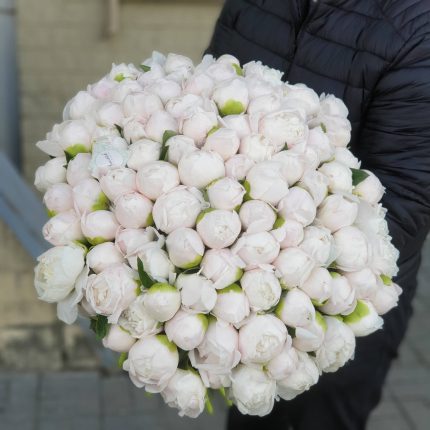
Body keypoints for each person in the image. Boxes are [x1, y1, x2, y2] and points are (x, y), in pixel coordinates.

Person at [206, 1, 430, 429]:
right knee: (252, 416)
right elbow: (209, 94)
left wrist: (277, 276)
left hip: (346, 299)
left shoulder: (415, 25)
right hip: (236, 286)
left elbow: (404, 200)